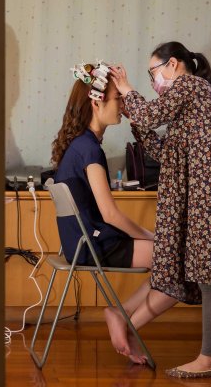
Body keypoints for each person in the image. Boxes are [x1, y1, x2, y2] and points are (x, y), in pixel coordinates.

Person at [110, 41, 211, 378]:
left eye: (153, 73)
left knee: (210, 273)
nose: (153, 81)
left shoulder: (190, 85)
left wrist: (127, 89)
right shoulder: (190, 102)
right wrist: (137, 122)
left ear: (172, 64)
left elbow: (149, 113)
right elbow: (166, 154)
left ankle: (208, 359)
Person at [52, 61, 167, 364]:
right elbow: (111, 215)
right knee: (178, 261)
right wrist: (151, 237)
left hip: (79, 244)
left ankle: (122, 313)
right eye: (118, 98)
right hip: (93, 245)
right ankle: (125, 319)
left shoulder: (81, 145)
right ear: (96, 101)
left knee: (172, 260)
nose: (123, 105)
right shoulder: (89, 149)